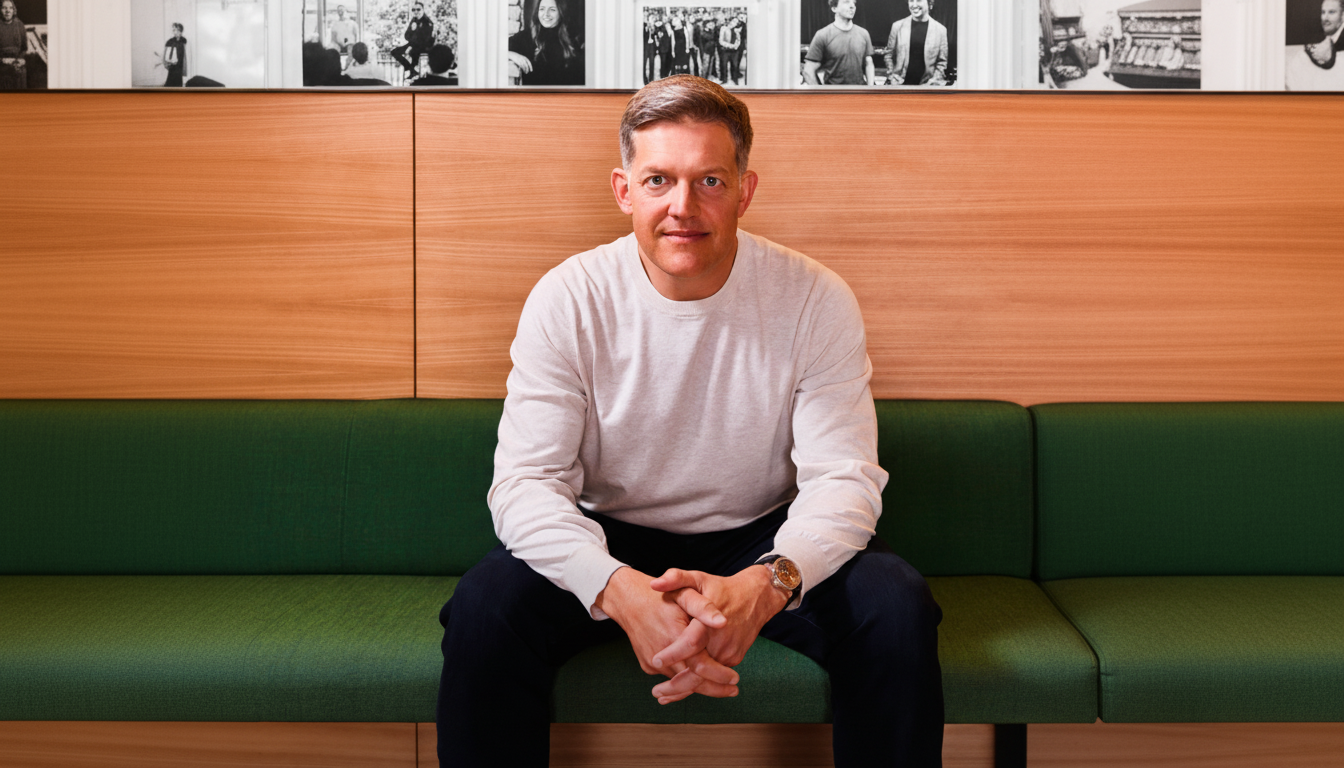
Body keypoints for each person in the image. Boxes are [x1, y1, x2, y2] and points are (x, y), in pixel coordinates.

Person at [436, 74, 944, 768]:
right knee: (485, 609)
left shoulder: (814, 298)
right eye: (658, 181)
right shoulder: (567, 298)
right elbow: (525, 484)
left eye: (709, 180)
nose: (682, 207)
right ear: (623, 190)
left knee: (896, 604)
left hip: (761, 532)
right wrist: (617, 591)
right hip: (607, 531)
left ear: (745, 190)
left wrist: (765, 586)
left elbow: (843, 481)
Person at [508, 0, 583, 85]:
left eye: (552, 9)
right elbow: (494, 49)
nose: (546, 14)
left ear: (561, 12)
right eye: (542, 9)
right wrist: (510, 54)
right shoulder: (526, 37)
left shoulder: (572, 39)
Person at [803, 0, 874, 85]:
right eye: (846, 2)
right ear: (834, 8)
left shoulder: (863, 33)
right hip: (834, 95)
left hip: (859, 94)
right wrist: (821, 95)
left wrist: (870, 90)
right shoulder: (823, 35)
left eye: (854, 3)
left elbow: (868, 63)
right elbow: (808, 71)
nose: (852, 6)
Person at [885, 0, 948, 86]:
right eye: (911, 1)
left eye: (919, 0)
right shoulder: (897, 26)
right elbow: (889, 55)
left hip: (927, 87)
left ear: (929, 3)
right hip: (899, 85)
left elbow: (942, 62)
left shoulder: (941, 30)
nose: (914, 5)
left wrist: (934, 81)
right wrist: (892, 76)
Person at [1287, 0, 1344, 89]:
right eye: (1323, 12)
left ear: (1343, 16)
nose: (1325, 18)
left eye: (1331, 12)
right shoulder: (1323, 38)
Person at [391, 2, 434, 78]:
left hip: (423, 46)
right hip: (412, 44)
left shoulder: (427, 22)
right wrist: (412, 31)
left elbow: (425, 40)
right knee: (394, 52)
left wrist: (411, 46)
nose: (416, 11)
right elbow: (406, 35)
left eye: (418, 9)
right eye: (413, 10)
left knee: (413, 52)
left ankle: (413, 71)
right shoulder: (414, 20)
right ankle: (410, 69)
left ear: (423, 10)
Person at [0, 0, 26, 89]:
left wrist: (21, 59)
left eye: (10, 8)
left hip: (16, 64)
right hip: (1, 65)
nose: (8, 11)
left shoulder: (19, 25)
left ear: (14, 10)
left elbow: (24, 48)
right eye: (4, 8)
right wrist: (2, 60)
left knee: (21, 73)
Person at [718, 15, 742, 85]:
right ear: (730, 21)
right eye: (733, 21)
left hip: (734, 51)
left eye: (736, 22)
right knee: (724, 65)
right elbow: (721, 41)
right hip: (725, 50)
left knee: (734, 65)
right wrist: (731, 46)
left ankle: (734, 79)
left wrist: (737, 46)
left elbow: (738, 40)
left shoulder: (736, 30)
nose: (734, 23)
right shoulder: (723, 28)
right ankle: (724, 80)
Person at [163, 22, 187, 88]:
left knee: (179, 83)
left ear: (180, 30)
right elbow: (165, 53)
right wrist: (165, 63)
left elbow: (185, 54)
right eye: (173, 30)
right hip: (172, 65)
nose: (174, 32)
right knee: (170, 82)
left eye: (175, 30)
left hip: (180, 64)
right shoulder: (170, 41)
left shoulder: (184, 40)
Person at [696, 10, 719, 82]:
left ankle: (708, 78)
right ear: (706, 25)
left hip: (712, 51)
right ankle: (703, 79)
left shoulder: (711, 31)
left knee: (710, 65)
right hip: (706, 51)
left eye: (712, 25)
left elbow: (715, 38)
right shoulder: (703, 33)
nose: (711, 26)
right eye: (710, 25)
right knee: (705, 66)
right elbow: (708, 39)